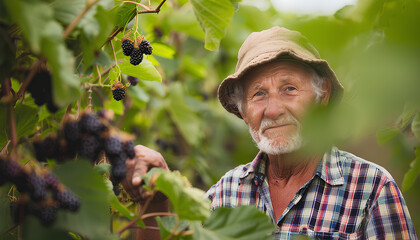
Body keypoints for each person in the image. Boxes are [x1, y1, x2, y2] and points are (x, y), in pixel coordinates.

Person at [123, 27, 418, 239]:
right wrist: (157, 201)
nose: (273, 109)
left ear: (322, 95)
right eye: (259, 94)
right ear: (243, 112)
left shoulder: (371, 189)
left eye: (289, 89)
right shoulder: (226, 193)